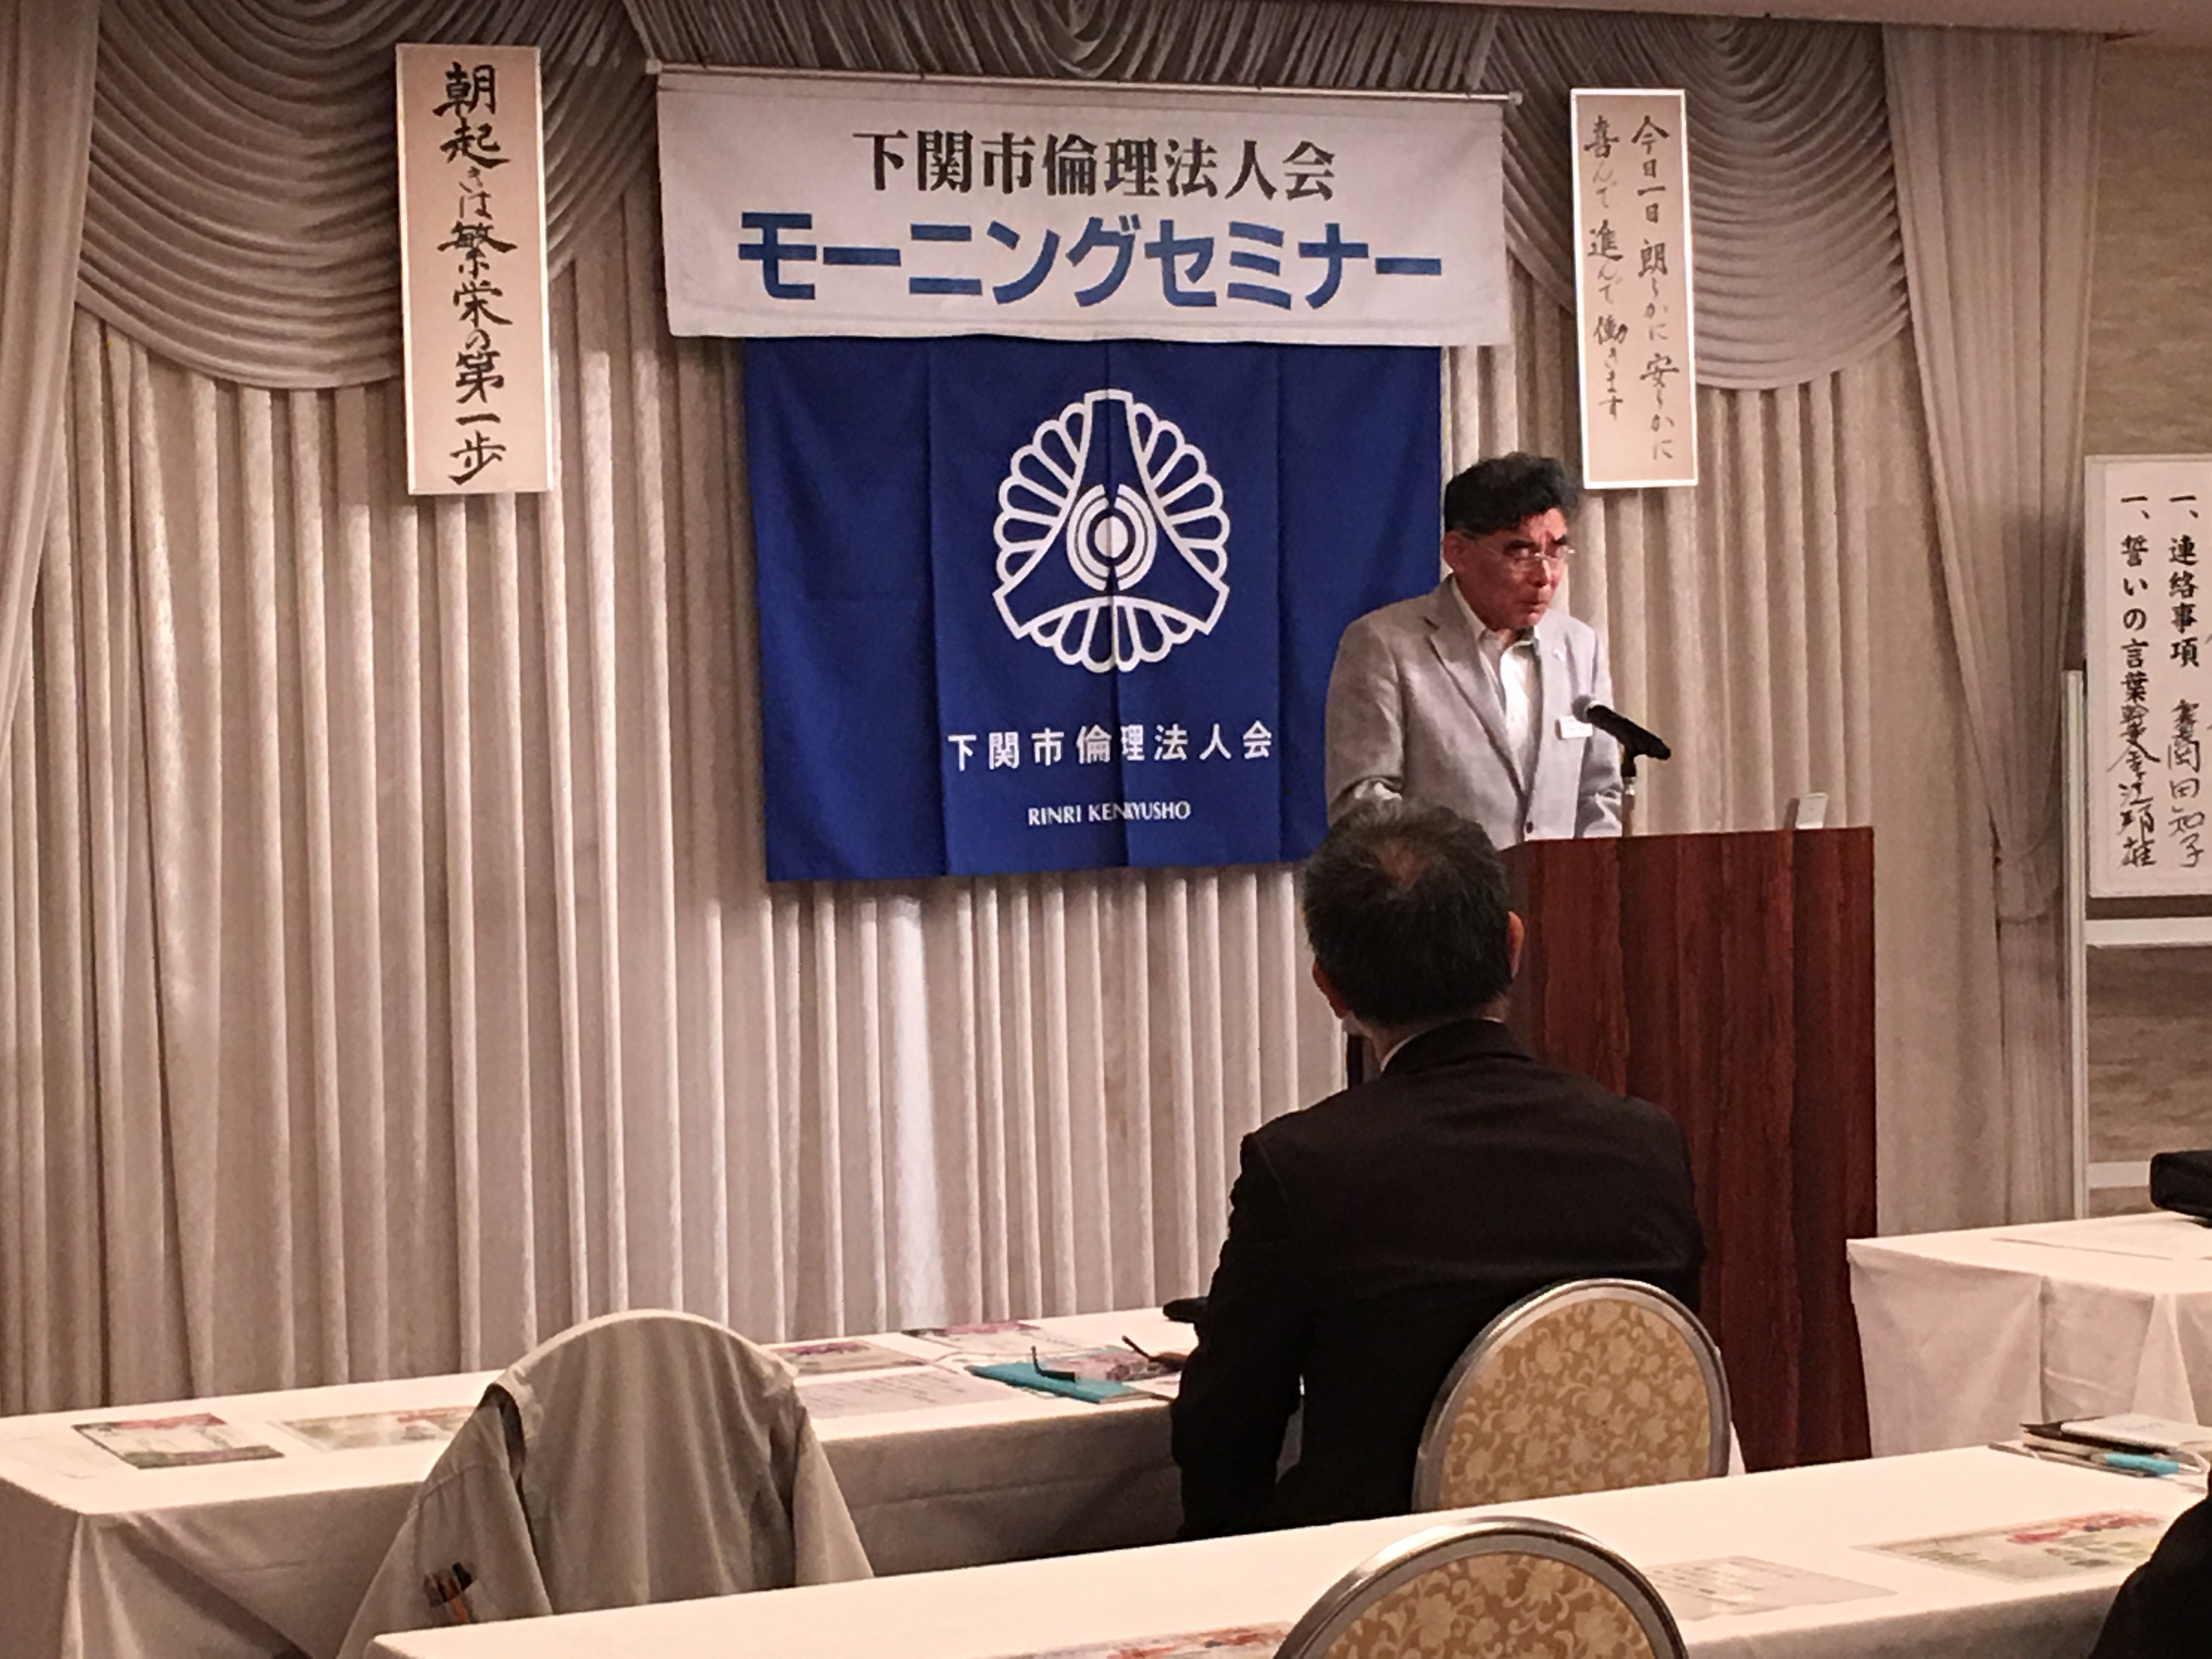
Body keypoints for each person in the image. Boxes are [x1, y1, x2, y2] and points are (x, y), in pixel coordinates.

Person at [1169, 800, 1702, 1539]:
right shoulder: (1647, 1145)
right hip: (1615, 1565)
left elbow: (1224, 1427)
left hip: (1386, 1579)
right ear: (1513, 944)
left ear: (1330, 988)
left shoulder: (1305, 1167)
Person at [1323, 453, 1623, 847]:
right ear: (1457, 552)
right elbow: (1363, 801)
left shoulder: (1579, 646)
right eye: (1521, 554)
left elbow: (1600, 790)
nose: (1545, 576)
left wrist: (1588, 873)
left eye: (1556, 552)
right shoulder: (1384, 644)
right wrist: (1453, 873)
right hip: (1443, 886)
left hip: (1563, 884)